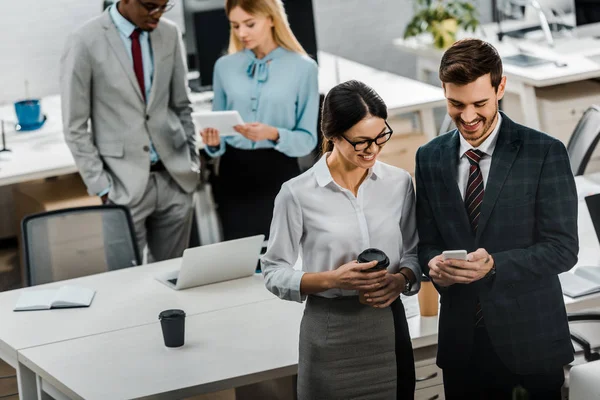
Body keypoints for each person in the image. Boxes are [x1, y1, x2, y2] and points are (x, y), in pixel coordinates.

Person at [415, 38, 578, 399]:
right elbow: (426, 242)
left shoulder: (544, 152)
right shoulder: (429, 158)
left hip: (531, 344)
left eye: (480, 103)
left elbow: (564, 249)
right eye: (456, 104)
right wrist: (433, 263)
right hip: (462, 348)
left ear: (500, 87)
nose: (468, 117)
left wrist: (494, 266)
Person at [262, 80, 421, 399]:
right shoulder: (296, 194)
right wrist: (331, 279)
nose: (373, 149)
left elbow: (415, 255)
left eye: (380, 137)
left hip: (389, 329)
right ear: (332, 136)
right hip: (329, 335)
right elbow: (273, 272)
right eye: (361, 142)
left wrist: (402, 279)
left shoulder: (398, 183)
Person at [61, 0, 198, 262]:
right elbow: (74, 126)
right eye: (150, 6)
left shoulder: (169, 33)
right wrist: (102, 188)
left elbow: (182, 105)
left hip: (175, 179)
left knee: (176, 279)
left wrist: (191, 159)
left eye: (164, 6)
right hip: (121, 186)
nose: (157, 14)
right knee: (126, 282)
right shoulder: (84, 40)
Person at [199, 0, 319, 241]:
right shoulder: (224, 66)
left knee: (283, 255)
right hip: (233, 174)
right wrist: (212, 142)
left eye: (249, 24)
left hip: (279, 173)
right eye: (235, 26)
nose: (242, 33)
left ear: (271, 19)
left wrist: (273, 133)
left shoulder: (304, 68)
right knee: (238, 259)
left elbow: (308, 140)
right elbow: (218, 128)